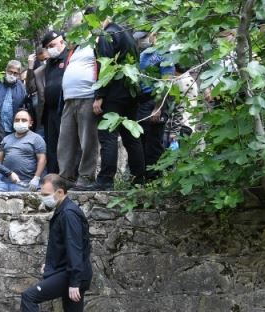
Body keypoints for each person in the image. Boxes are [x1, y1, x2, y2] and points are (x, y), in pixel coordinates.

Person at [3, 174, 92, 312]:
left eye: (45, 194)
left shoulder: (69, 213)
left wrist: (73, 282)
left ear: (59, 192)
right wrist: (51, 268)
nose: (43, 198)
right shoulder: (64, 209)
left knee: (30, 296)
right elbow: (64, 248)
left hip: (73, 275)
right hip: (70, 273)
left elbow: (75, 249)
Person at [88, 15, 144, 191]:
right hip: (130, 92)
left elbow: (106, 67)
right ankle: (140, 179)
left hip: (113, 94)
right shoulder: (125, 33)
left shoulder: (107, 35)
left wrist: (99, 95)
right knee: (131, 137)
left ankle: (105, 180)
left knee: (108, 136)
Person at [57, 13, 100, 189]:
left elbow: (102, 67)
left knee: (88, 140)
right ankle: (65, 177)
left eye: (78, 26)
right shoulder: (74, 48)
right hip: (69, 100)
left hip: (88, 97)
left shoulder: (96, 42)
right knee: (65, 141)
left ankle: (86, 176)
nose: (74, 30)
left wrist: (99, 96)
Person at [137, 31, 176, 180]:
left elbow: (166, 82)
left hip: (156, 100)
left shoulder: (165, 55)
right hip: (142, 101)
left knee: (153, 142)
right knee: (142, 141)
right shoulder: (143, 55)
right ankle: (142, 178)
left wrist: (158, 108)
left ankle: (155, 178)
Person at [0, 109, 47, 192]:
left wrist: (36, 178)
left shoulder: (36, 139)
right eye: (17, 120)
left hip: (25, 183)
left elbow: (42, 159)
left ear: (30, 123)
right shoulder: (6, 139)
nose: (20, 122)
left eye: (24, 120)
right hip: (4, 183)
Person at [40, 31, 69, 175]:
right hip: (49, 110)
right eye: (48, 47)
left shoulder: (70, 56)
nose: (50, 48)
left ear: (62, 42)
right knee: (51, 145)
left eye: (52, 45)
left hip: (64, 108)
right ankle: (52, 176)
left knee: (66, 144)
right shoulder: (50, 62)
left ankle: (68, 175)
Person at [0, 60, 27, 134]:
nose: (12, 75)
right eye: (10, 72)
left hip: (14, 129)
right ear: (6, 71)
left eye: (15, 73)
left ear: (19, 74)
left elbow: (25, 107)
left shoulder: (22, 88)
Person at [26, 48, 49, 134]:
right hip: (42, 116)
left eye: (46, 59)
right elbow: (30, 88)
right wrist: (30, 67)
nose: (44, 62)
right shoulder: (38, 72)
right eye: (41, 60)